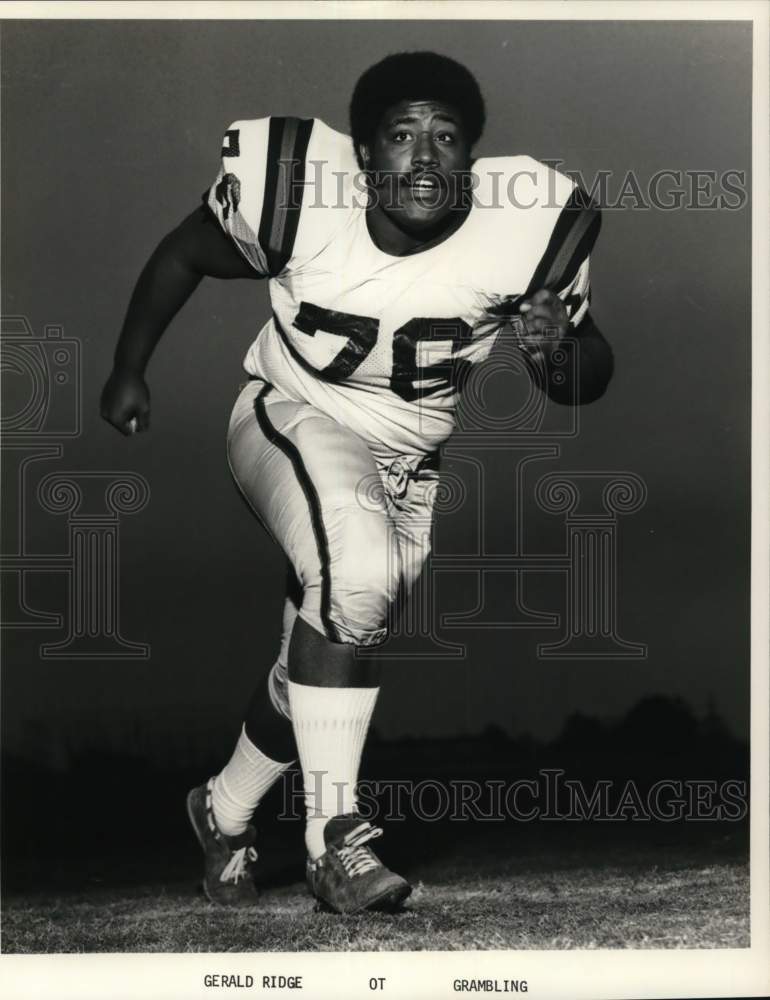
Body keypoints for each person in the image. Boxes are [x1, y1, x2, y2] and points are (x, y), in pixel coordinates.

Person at [100, 51, 613, 915]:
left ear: (473, 158)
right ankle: (334, 841)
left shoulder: (526, 226)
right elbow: (185, 251)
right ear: (364, 154)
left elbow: (588, 371)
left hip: (410, 461)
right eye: (401, 135)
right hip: (292, 412)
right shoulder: (304, 199)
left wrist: (554, 348)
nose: (422, 156)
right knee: (361, 580)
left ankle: (222, 810)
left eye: (445, 137)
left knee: (335, 630)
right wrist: (128, 367)